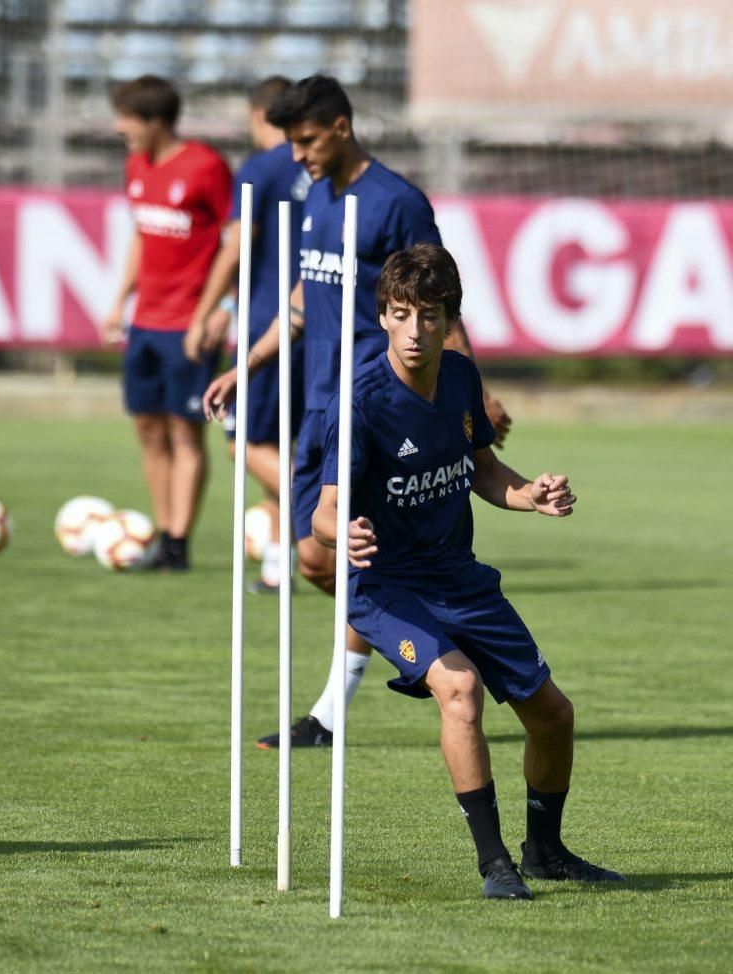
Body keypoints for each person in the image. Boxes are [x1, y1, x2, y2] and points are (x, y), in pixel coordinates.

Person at [203, 75, 511, 747]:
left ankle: (336, 709)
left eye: (307, 140)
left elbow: (438, 298)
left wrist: (473, 390)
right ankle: (417, 640)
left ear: (341, 127)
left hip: (378, 412)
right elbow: (302, 299)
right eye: (290, 142)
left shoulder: (397, 202)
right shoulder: (318, 193)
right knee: (321, 560)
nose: (297, 155)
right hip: (319, 409)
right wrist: (246, 366)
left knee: (345, 557)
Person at [313, 243, 625, 899]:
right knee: (459, 689)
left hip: (461, 578)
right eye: (400, 314)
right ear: (384, 317)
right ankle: (495, 866)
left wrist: (531, 496)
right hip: (386, 589)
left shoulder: (459, 378)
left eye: (429, 315)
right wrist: (341, 532)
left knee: (553, 717)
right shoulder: (361, 404)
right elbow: (324, 514)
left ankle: (544, 852)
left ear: (448, 318)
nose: (414, 331)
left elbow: (483, 471)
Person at [184, 76, 309, 593]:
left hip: (269, 326)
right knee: (288, 442)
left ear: (259, 114)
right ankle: (279, 563)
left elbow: (237, 247)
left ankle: (336, 514)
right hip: (317, 321)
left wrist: (206, 309)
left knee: (246, 444)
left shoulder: (260, 168)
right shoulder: (323, 169)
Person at [103, 75, 232, 570]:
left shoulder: (206, 166)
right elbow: (141, 235)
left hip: (190, 324)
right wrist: (120, 300)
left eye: (127, 119)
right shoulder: (136, 164)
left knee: (185, 432)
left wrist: (225, 308)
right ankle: (162, 533)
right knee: (149, 431)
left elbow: (236, 240)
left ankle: (179, 540)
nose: (120, 129)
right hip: (146, 323)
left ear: (156, 121)